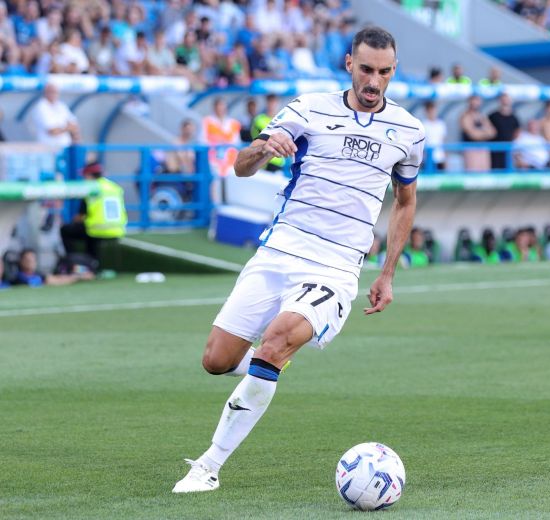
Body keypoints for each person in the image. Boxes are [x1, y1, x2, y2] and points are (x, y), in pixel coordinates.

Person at [172, 26, 424, 494]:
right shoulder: (308, 108)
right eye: (366, 69)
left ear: (393, 71)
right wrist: (264, 147)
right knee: (216, 360)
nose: (374, 81)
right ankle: (272, 366)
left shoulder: (409, 131)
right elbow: (241, 167)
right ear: (349, 63)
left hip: (336, 267)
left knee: (276, 341)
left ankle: (207, 466)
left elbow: (405, 201)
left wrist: (387, 273)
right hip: (279, 251)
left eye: (384, 72)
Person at [60, 162, 128, 262]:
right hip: (118, 230)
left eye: (84, 176)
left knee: (66, 230)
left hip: (97, 229)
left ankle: (73, 261)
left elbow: (80, 216)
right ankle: (91, 261)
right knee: (86, 227)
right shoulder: (114, 187)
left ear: (89, 175)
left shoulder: (91, 189)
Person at [30, 83, 80, 149]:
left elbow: (74, 125)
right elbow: (52, 131)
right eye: (51, 92)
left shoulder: (61, 105)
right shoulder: (41, 107)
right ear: (45, 93)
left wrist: (67, 130)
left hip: (65, 147)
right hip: (48, 149)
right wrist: (68, 128)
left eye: (55, 92)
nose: (53, 94)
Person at [202, 97, 241, 177]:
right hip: (213, 160)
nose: (221, 109)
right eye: (219, 106)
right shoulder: (207, 121)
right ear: (214, 107)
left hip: (230, 161)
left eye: (223, 106)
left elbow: (237, 143)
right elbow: (202, 141)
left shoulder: (233, 123)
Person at [12, 249, 93, 287]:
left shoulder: (37, 274)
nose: (31, 262)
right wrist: (77, 277)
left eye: (33, 259)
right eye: (27, 260)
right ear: (21, 261)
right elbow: (49, 281)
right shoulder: (20, 277)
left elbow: (55, 278)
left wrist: (79, 276)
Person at [459, 95, 496, 172]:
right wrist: (485, 133)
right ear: (469, 102)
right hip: (471, 150)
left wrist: (478, 132)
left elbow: (493, 132)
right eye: (473, 101)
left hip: (483, 149)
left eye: (477, 101)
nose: (475, 103)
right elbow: (472, 135)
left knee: (485, 174)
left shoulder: (481, 116)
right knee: (472, 175)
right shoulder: (465, 116)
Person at [249, 94, 284, 172]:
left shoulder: (282, 120)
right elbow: (254, 138)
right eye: (270, 102)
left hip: (277, 161)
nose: (271, 105)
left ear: (277, 103)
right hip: (262, 160)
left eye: (274, 102)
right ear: (266, 103)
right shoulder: (259, 119)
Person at [488, 93, 520, 170]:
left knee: (507, 170)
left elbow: (517, 131)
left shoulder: (514, 117)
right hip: (495, 149)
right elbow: (488, 130)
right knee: (495, 170)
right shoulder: (493, 116)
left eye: (507, 99)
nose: (505, 101)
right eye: (503, 99)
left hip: (508, 149)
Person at [420, 100, 447, 171]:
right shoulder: (423, 124)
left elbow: (443, 142)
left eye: (433, 109)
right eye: (429, 110)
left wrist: (446, 158)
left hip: (440, 158)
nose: (431, 112)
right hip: (427, 159)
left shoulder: (441, 124)